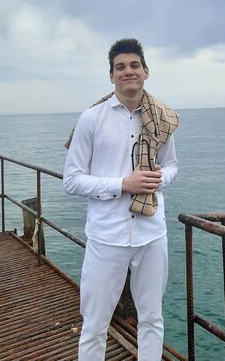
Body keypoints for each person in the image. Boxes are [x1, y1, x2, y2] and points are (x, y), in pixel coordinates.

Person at [63, 38, 179, 361]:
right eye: (120, 67)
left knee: (152, 318)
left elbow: (171, 166)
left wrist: (159, 179)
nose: (128, 71)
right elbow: (71, 179)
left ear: (146, 71)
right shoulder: (91, 119)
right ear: (111, 75)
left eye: (134, 65)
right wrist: (123, 184)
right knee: (94, 324)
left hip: (151, 234)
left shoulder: (161, 118)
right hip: (106, 236)